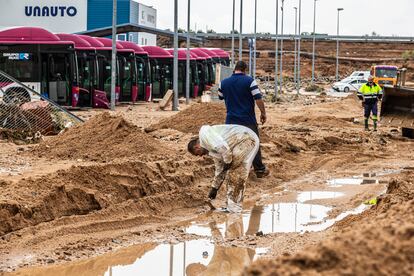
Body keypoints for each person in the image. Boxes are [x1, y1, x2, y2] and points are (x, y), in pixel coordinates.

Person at [187, 124, 260, 213]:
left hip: (245, 139)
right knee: (234, 175)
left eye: (197, 153)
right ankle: (233, 207)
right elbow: (220, 170)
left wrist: (228, 162)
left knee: (235, 175)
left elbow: (224, 149)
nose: (200, 156)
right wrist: (214, 188)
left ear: (196, 147)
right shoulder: (212, 149)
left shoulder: (205, 134)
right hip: (242, 142)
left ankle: (234, 210)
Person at [218, 61, 269, 178]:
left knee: (232, 145)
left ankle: (231, 169)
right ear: (245, 69)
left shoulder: (223, 83)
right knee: (254, 144)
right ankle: (260, 170)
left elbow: (220, 96)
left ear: (234, 69)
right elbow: (258, 98)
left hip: (231, 120)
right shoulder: (249, 81)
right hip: (247, 120)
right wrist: (263, 113)